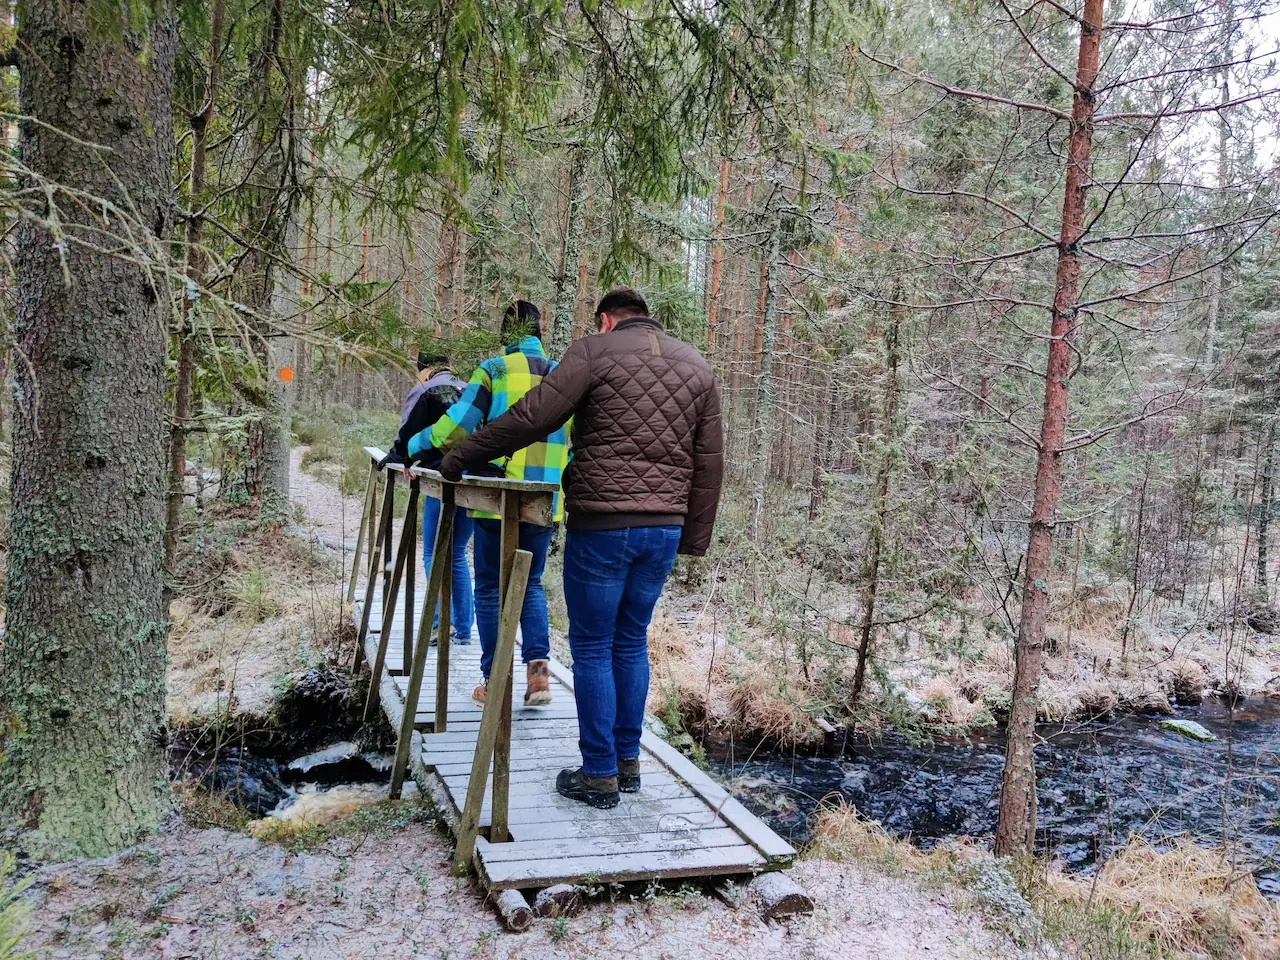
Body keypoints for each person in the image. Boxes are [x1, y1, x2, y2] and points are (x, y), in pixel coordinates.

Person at [439, 288, 724, 810]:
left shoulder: (593, 352)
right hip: (664, 529)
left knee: (593, 646)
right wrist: (693, 538)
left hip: (603, 524)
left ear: (605, 321)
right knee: (631, 640)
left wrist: (463, 454)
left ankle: (598, 775)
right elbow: (709, 463)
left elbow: (533, 418)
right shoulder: (696, 365)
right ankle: (626, 762)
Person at [406, 301, 569, 708]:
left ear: (504, 332)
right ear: (539, 331)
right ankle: (538, 678)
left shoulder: (494, 370)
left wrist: (413, 445)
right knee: (529, 584)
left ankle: (494, 681)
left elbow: (458, 427)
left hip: (496, 498)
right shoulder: (560, 373)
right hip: (544, 499)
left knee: (491, 586)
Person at [382, 351, 474, 644]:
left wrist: (400, 458)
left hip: (442, 478)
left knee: (432, 552)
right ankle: (462, 626)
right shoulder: (468, 387)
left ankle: (438, 623)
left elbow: (408, 433)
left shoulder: (424, 389)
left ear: (424, 370)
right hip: (474, 480)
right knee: (456, 553)